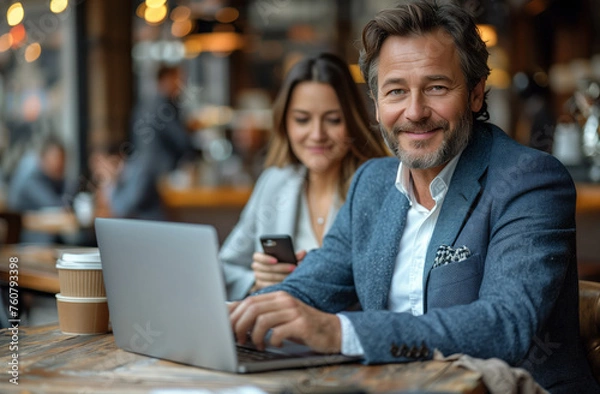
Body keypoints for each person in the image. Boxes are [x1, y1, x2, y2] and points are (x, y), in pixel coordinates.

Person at [229, 1, 598, 392]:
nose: (415, 111)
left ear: (475, 94)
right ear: (375, 105)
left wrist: (339, 331)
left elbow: (503, 326)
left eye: (436, 87)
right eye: (396, 91)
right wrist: (230, 316)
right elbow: (308, 286)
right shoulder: (371, 183)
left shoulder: (529, 181)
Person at [219, 53, 390, 301]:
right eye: (302, 119)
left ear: (353, 122)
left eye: (333, 119)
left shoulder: (378, 187)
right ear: (285, 124)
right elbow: (224, 268)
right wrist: (258, 282)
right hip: (277, 336)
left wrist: (305, 283)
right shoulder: (274, 182)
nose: (317, 134)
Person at [97, 65, 196, 220]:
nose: (181, 85)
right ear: (166, 80)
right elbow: (181, 139)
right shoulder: (162, 106)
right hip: (159, 173)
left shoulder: (144, 105)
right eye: (178, 80)